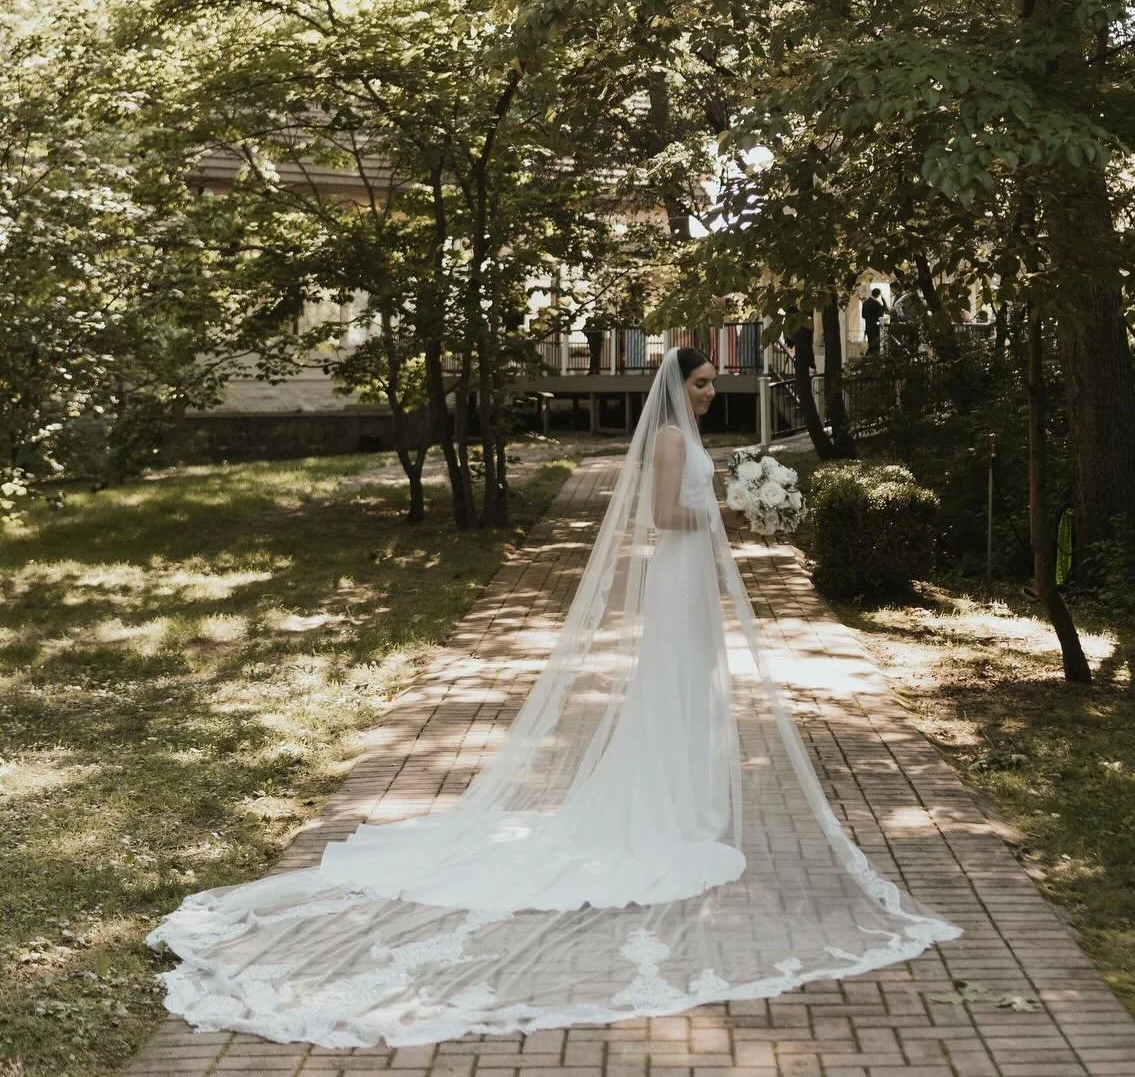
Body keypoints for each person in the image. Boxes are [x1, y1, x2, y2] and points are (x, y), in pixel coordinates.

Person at [148, 347, 960, 1045]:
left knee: (692, 691)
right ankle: (666, 813)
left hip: (694, 585)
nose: (709, 392)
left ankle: (683, 804)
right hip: (679, 580)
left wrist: (730, 508)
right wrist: (729, 509)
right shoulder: (673, 438)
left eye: (715, 383)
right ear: (679, 389)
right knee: (675, 686)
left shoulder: (692, 433)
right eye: (702, 381)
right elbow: (661, 518)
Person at [860, 286, 888, 356]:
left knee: (870, 346)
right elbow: (885, 310)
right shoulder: (877, 304)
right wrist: (883, 299)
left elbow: (863, 316)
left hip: (868, 328)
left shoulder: (865, 303)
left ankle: (870, 361)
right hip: (875, 328)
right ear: (878, 295)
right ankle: (875, 362)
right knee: (876, 348)